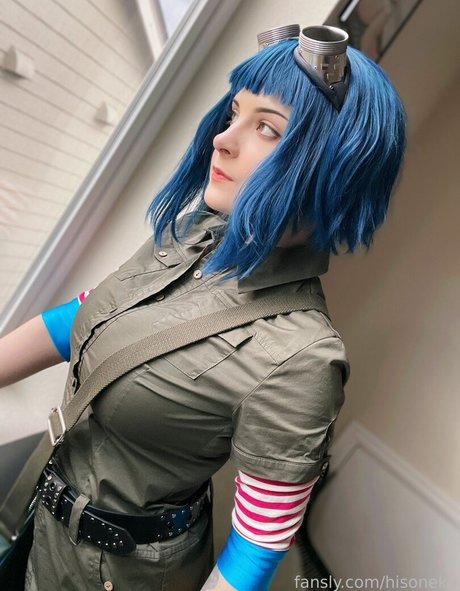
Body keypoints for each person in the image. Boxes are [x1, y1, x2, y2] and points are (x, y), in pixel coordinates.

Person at [0, 24, 406, 591]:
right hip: (38, 517)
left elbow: (256, 547)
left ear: (334, 170)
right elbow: (87, 317)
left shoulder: (303, 359)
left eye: (266, 127)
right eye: (235, 113)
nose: (223, 139)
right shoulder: (194, 232)